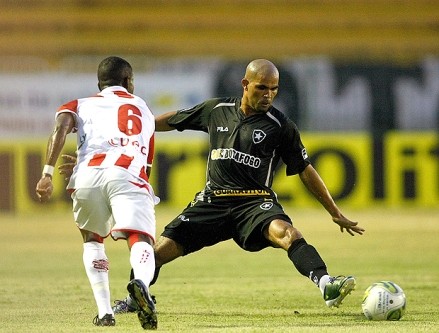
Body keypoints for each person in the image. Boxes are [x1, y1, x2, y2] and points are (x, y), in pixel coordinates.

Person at [63, 59, 365, 314]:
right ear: (245, 84)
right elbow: (169, 121)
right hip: (213, 200)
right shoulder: (216, 109)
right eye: (262, 88)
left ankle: (327, 285)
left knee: (288, 234)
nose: (269, 95)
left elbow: (305, 169)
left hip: (254, 203)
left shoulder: (280, 125)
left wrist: (334, 211)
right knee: (155, 252)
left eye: (274, 89)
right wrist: (123, 136)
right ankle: (135, 299)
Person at [35, 56, 159, 329]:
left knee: (92, 239)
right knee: (140, 238)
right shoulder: (145, 110)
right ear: (128, 81)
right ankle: (141, 284)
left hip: (88, 177)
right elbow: (146, 165)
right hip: (128, 176)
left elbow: (61, 127)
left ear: (99, 83)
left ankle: (105, 313)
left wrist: (46, 173)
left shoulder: (81, 103)